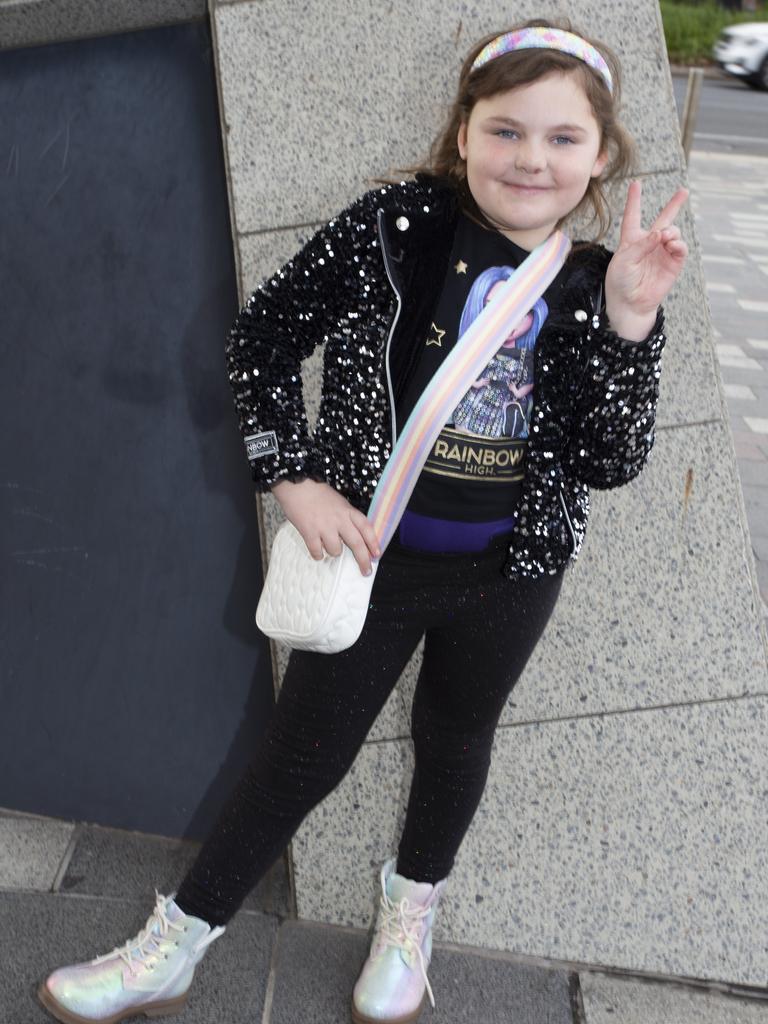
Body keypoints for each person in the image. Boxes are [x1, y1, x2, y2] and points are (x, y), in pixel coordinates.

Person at [37, 16, 689, 1024]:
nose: (532, 158)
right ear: (463, 131)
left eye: (563, 138)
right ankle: (177, 945)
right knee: (301, 757)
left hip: (512, 572)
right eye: (506, 129)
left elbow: (611, 462)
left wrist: (632, 319)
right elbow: (260, 341)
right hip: (372, 561)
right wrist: (292, 479)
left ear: (600, 155)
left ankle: (408, 912)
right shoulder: (396, 226)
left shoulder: (605, 279)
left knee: (457, 734)